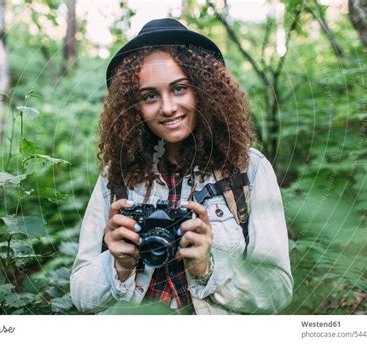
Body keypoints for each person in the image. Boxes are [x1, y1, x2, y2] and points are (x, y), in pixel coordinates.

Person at [70, 18, 293, 315]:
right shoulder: (116, 176)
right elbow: (81, 294)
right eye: (150, 95)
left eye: (179, 88)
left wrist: (206, 268)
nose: (168, 107)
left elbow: (277, 291)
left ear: (204, 90)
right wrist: (119, 266)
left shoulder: (247, 170)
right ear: (134, 106)